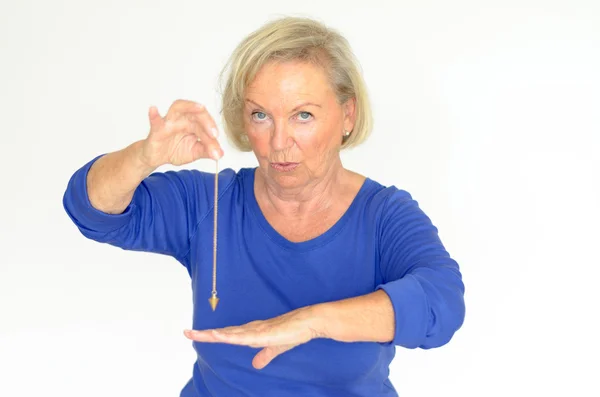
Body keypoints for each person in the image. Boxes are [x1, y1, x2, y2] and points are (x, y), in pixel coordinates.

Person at [63, 16, 465, 397]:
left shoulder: (383, 215)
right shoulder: (211, 203)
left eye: (303, 115)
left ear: (347, 115)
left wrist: (310, 324)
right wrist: (144, 157)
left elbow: (442, 303)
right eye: (261, 115)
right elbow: (90, 209)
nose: (278, 142)